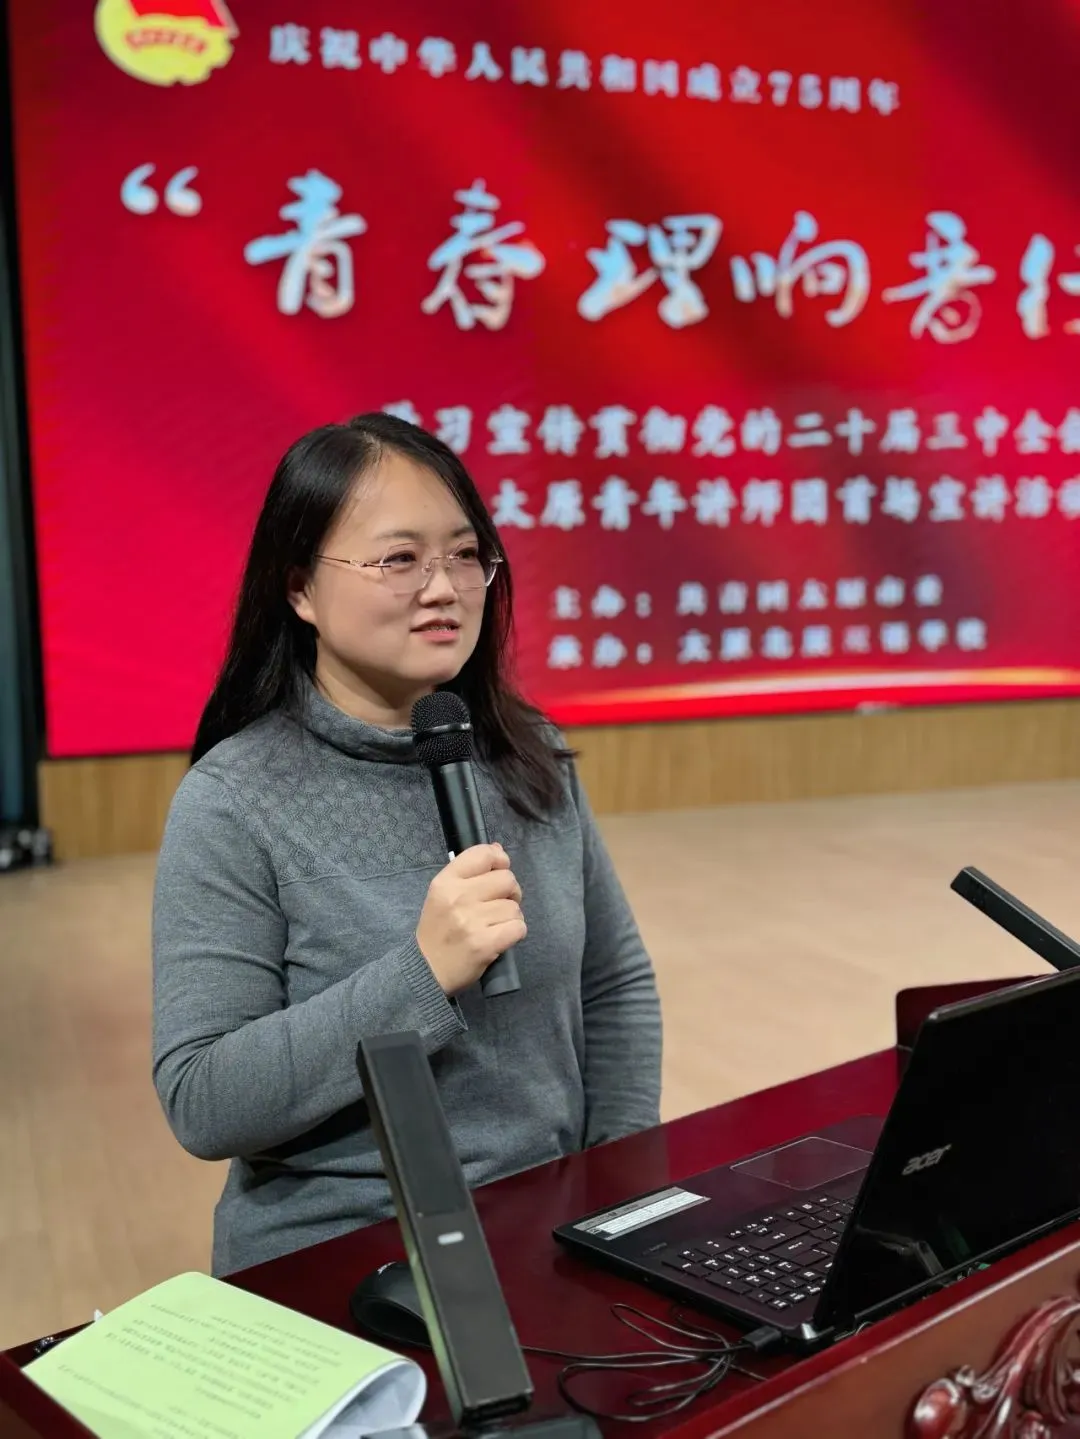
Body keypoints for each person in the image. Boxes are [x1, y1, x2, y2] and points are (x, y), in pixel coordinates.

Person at [152, 412, 662, 1276]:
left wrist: (617, 1189)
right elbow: (204, 1098)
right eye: (399, 559)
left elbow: (615, 985)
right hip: (343, 1260)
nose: (444, 588)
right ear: (300, 588)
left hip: (553, 1234)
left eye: (465, 554)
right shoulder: (233, 800)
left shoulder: (529, 755)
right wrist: (421, 975)